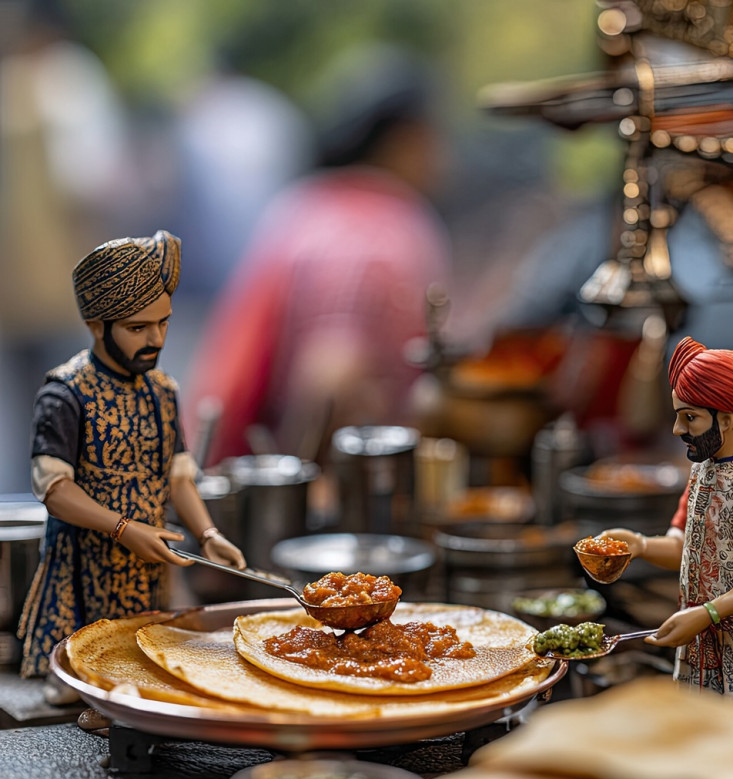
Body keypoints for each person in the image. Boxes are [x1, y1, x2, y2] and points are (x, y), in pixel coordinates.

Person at [182, 43, 451, 467]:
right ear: (405, 140)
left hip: (220, 462)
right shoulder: (385, 225)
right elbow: (332, 376)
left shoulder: (301, 206)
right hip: (325, 492)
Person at [18, 230, 245, 689]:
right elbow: (57, 492)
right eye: (138, 328)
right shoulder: (66, 394)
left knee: (147, 652)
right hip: (88, 555)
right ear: (97, 326)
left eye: (163, 323)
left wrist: (208, 534)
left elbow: (177, 477)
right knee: (84, 658)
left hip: (150, 556)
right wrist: (123, 528)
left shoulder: (163, 391)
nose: (156, 338)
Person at [601, 336, 733, 700]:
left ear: (725, 419)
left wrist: (707, 612)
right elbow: (683, 546)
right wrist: (640, 545)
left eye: (689, 417)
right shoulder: (700, 473)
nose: (678, 430)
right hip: (697, 637)